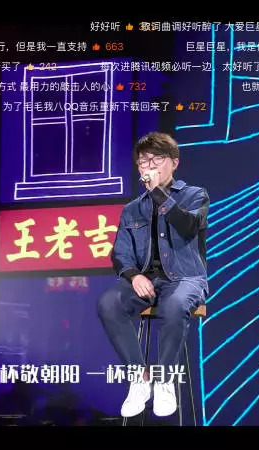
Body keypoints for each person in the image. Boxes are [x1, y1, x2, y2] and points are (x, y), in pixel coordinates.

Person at [97, 132, 209, 418]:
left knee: (174, 306)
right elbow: (120, 253)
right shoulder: (132, 209)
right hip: (146, 280)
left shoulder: (195, 195)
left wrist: (159, 193)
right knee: (109, 303)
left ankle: (165, 379)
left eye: (156, 160)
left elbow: (188, 227)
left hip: (185, 278)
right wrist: (134, 276)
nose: (149, 167)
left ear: (174, 163)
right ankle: (140, 378)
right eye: (143, 162)